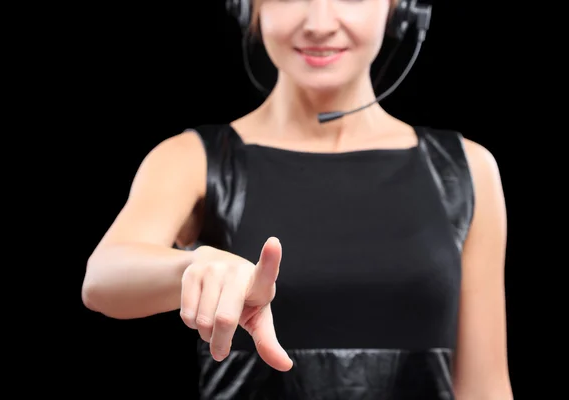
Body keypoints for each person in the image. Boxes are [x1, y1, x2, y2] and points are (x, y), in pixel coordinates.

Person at [82, 0, 514, 398]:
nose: (319, 24)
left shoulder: (466, 169)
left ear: (400, 8)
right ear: (249, 7)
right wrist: (195, 265)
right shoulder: (193, 158)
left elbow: (485, 387)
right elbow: (103, 278)